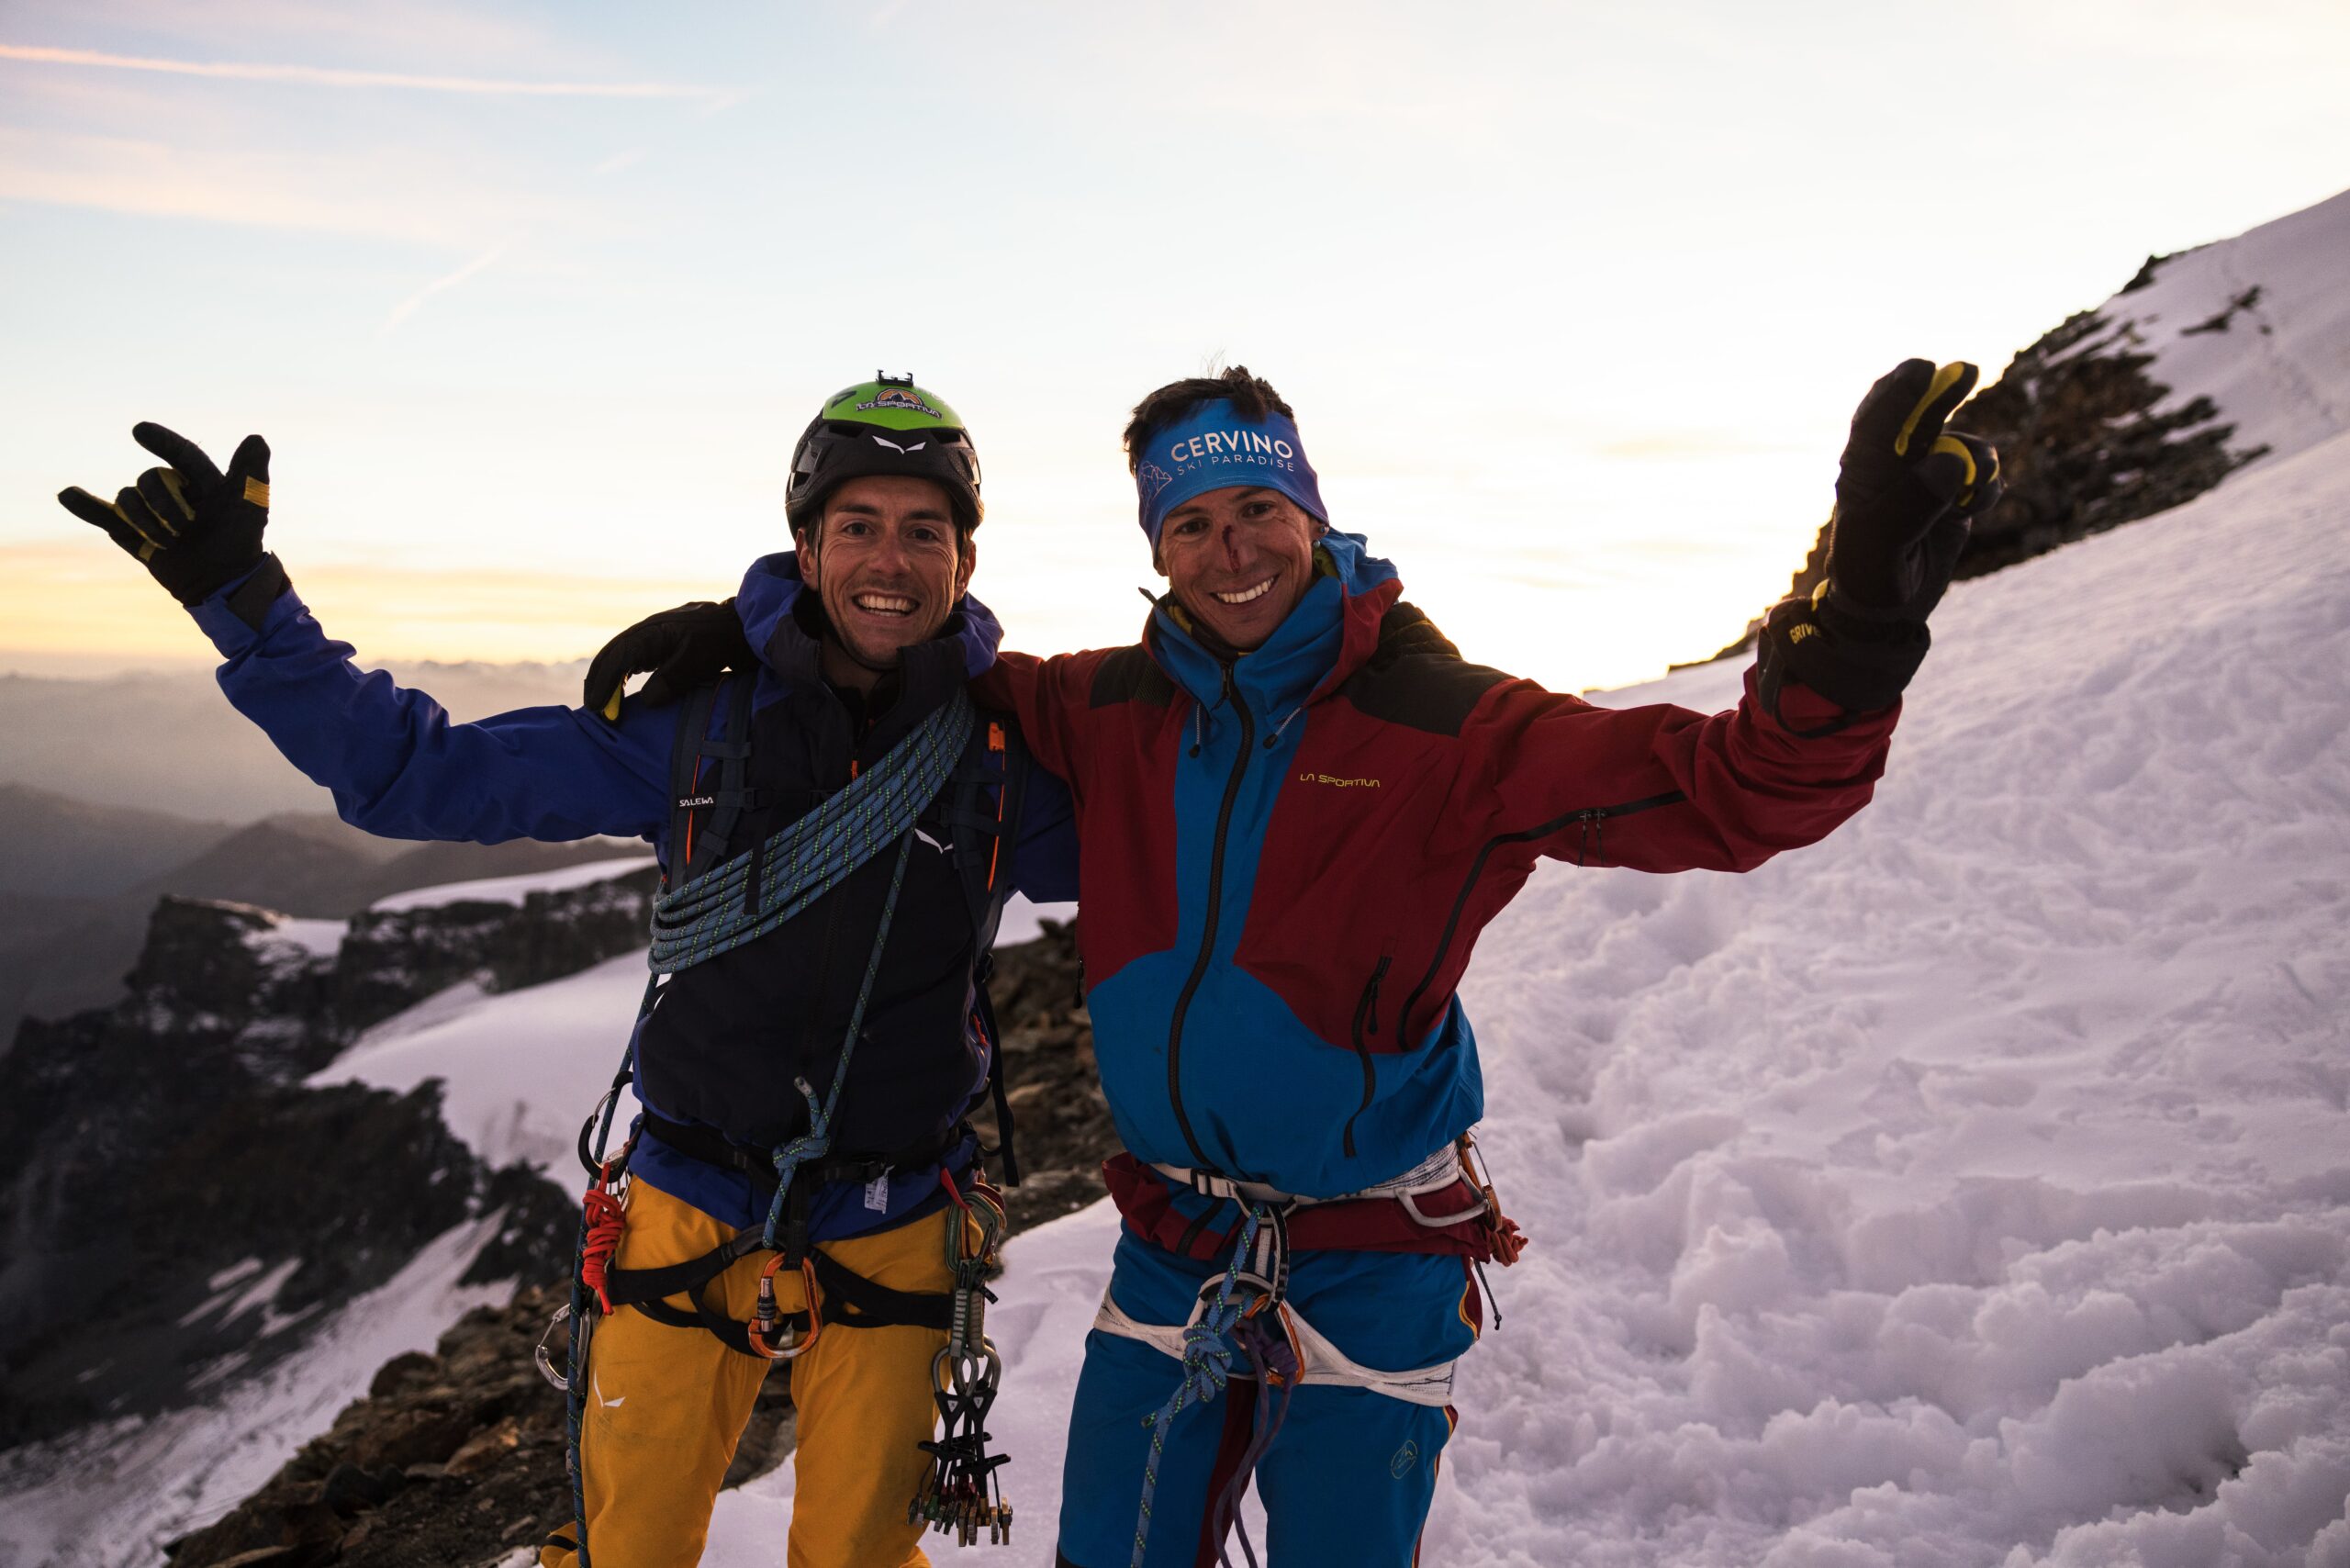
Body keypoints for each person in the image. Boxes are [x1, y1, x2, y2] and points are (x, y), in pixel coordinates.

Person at [589, 358, 2003, 1565]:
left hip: (1374, 1259)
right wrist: (755, 638)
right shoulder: (1105, 706)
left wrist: (1862, 621)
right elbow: (901, 664)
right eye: (1190, 521)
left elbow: (1740, 791)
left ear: (1312, 513)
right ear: (1156, 547)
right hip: (1172, 1250)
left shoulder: (1451, 728)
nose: (1232, 549)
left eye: (1258, 508)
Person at [57, 376, 1080, 1568]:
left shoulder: (1008, 759)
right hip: (692, 1205)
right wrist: (245, 603)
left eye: (925, 531)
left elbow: (1198, 837)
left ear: (965, 557)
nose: (890, 559)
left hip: (902, 1217)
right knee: (623, 1548)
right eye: (858, 526)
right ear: (806, 548)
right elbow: (421, 774)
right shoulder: (699, 731)